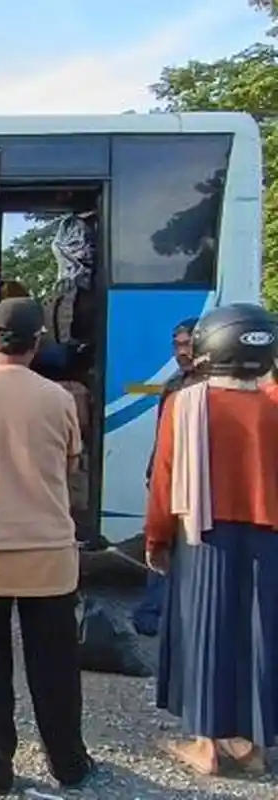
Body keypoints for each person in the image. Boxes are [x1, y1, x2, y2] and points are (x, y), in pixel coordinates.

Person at [0, 298, 95, 795]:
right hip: (48, 552)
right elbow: (70, 465)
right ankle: (68, 763)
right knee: (55, 666)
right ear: (37, 344)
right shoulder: (59, 399)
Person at [146, 302, 278, 777]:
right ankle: (256, 749)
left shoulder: (187, 403)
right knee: (262, 636)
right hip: (271, 537)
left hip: (204, 536)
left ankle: (208, 748)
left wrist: (156, 538)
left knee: (206, 636)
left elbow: (164, 478)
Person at [133, 317, 200, 636]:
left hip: (197, 489)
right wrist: (153, 473)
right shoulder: (175, 384)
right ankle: (153, 613)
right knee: (160, 549)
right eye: (177, 345)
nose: (180, 352)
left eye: (187, 344)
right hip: (170, 482)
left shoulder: (208, 388)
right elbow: (164, 441)